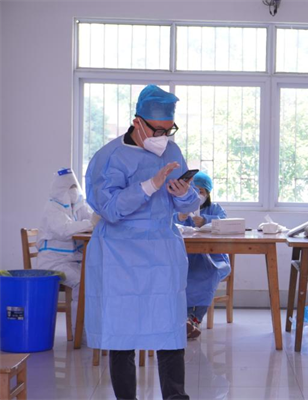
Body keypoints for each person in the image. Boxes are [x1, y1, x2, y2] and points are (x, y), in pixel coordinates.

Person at [85, 85, 199, 400]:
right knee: (121, 335)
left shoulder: (171, 151)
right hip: (120, 255)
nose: (163, 137)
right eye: (157, 130)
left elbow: (186, 205)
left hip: (162, 252)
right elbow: (109, 209)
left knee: (170, 331)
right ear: (138, 122)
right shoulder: (109, 156)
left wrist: (183, 194)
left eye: (169, 130)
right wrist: (149, 185)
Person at [37, 167, 98, 328]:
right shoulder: (53, 208)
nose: (73, 191)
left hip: (70, 261)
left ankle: (89, 330)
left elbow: (90, 218)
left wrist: (96, 218)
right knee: (82, 282)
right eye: (69, 188)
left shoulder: (76, 208)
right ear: (60, 190)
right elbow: (64, 230)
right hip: (53, 263)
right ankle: (80, 332)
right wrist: (90, 223)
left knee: (94, 279)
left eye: (74, 187)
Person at [174, 171, 231, 339]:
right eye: (193, 190)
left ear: (207, 192)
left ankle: (194, 319)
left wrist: (206, 220)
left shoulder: (215, 209)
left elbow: (226, 223)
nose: (197, 194)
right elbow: (167, 222)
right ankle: (184, 319)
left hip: (213, 257)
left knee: (209, 274)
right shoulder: (179, 208)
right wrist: (180, 216)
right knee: (183, 274)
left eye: (201, 191)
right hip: (185, 256)